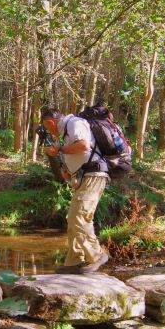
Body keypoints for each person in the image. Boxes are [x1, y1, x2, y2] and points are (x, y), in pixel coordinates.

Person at [40, 106, 110, 274]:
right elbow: (72, 159)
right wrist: (65, 168)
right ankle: (74, 262)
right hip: (84, 178)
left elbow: (84, 145)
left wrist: (59, 150)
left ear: (51, 122)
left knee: (79, 216)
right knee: (73, 218)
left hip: (94, 175)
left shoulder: (74, 123)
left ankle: (97, 255)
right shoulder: (64, 133)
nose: (48, 132)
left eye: (47, 127)